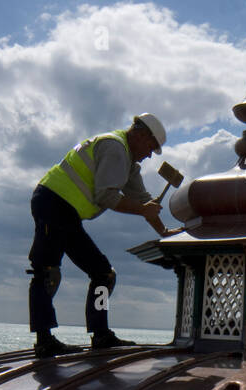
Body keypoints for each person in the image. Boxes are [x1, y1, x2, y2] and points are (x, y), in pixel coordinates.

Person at [28, 113, 172, 359]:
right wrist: (144, 210)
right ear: (140, 135)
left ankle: (101, 334)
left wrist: (166, 233)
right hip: (53, 203)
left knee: (103, 274)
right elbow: (106, 197)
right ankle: (44, 341)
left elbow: (143, 200)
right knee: (47, 271)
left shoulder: (127, 163)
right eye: (151, 147)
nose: (150, 155)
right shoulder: (115, 150)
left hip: (64, 210)